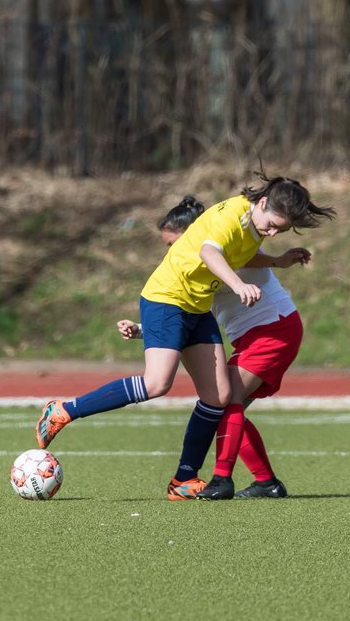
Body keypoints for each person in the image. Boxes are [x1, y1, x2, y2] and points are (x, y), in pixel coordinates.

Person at [35, 174, 336, 500]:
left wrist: (276, 260)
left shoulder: (254, 224)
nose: (274, 232)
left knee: (219, 396)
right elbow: (210, 252)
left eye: (281, 229)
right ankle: (64, 409)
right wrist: (237, 285)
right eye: (273, 224)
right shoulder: (231, 216)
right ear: (262, 202)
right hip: (168, 298)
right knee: (157, 383)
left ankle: (183, 479)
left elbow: (241, 256)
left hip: (196, 306)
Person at [117, 194, 318, 499]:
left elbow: (231, 261)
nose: (172, 251)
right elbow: (190, 315)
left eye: (174, 243)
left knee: (226, 398)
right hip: (259, 333)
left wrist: (272, 263)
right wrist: (144, 330)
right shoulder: (203, 261)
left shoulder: (227, 244)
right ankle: (266, 483)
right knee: (224, 403)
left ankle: (223, 479)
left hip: (273, 329)